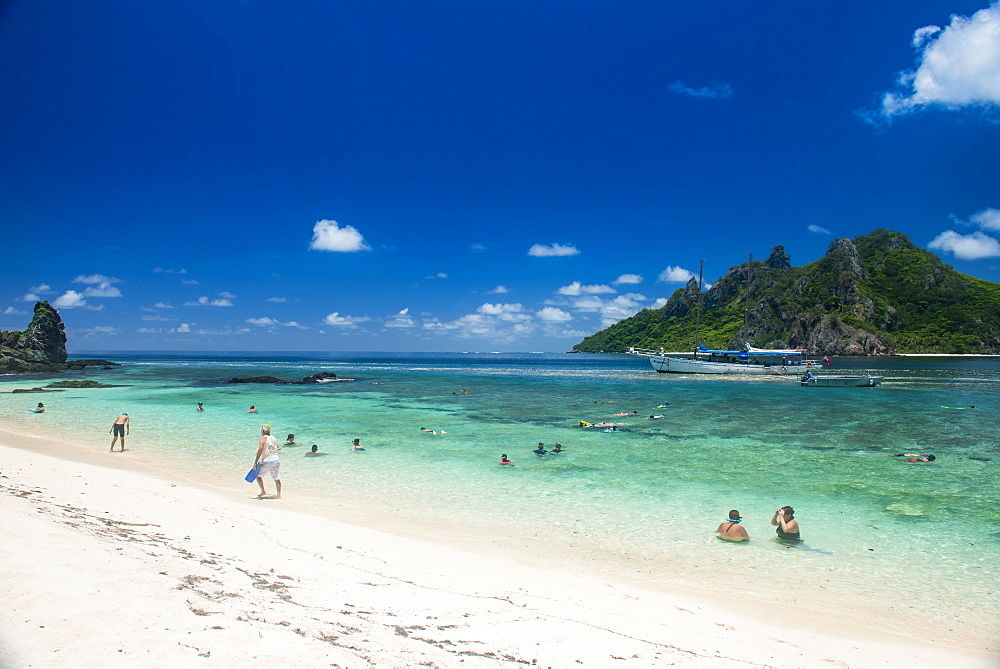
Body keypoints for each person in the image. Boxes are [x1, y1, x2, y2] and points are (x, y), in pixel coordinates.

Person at [253, 424, 282, 499]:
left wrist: (255, 462)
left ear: (263, 431)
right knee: (276, 478)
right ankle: (278, 495)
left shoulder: (262, 439)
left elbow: (260, 451)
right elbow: (277, 447)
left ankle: (263, 491)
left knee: (258, 476)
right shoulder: (273, 437)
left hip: (267, 460)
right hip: (276, 460)